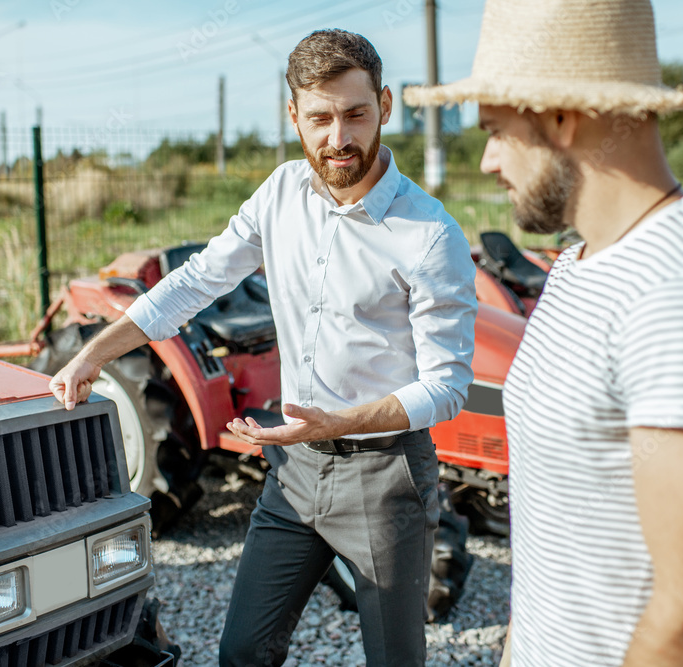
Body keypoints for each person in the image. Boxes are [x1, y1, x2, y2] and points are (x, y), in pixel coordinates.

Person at [49, 29, 476, 666]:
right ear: (293, 117)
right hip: (295, 474)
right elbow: (196, 281)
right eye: (321, 118)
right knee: (243, 652)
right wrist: (95, 352)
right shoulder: (278, 193)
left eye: (356, 114)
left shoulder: (430, 235)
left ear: (385, 105)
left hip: (386, 477)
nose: (339, 138)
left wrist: (341, 421)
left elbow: (446, 386)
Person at [406, 1, 683, 666]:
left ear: (561, 116)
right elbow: (556, 529)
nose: (490, 159)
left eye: (496, 129)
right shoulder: (581, 264)